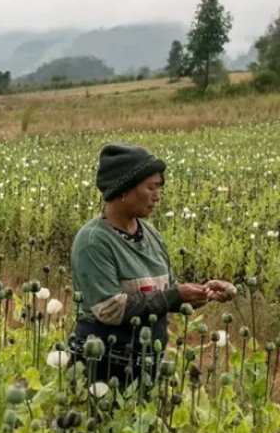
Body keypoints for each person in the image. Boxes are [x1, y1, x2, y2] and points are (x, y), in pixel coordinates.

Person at [69, 143, 233, 383]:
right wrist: (175, 296)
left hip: (146, 367)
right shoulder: (93, 241)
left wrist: (204, 291)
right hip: (102, 368)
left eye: (159, 188)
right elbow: (110, 309)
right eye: (151, 187)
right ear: (123, 189)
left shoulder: (151, 234)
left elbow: (165, 295)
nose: (158, 196)